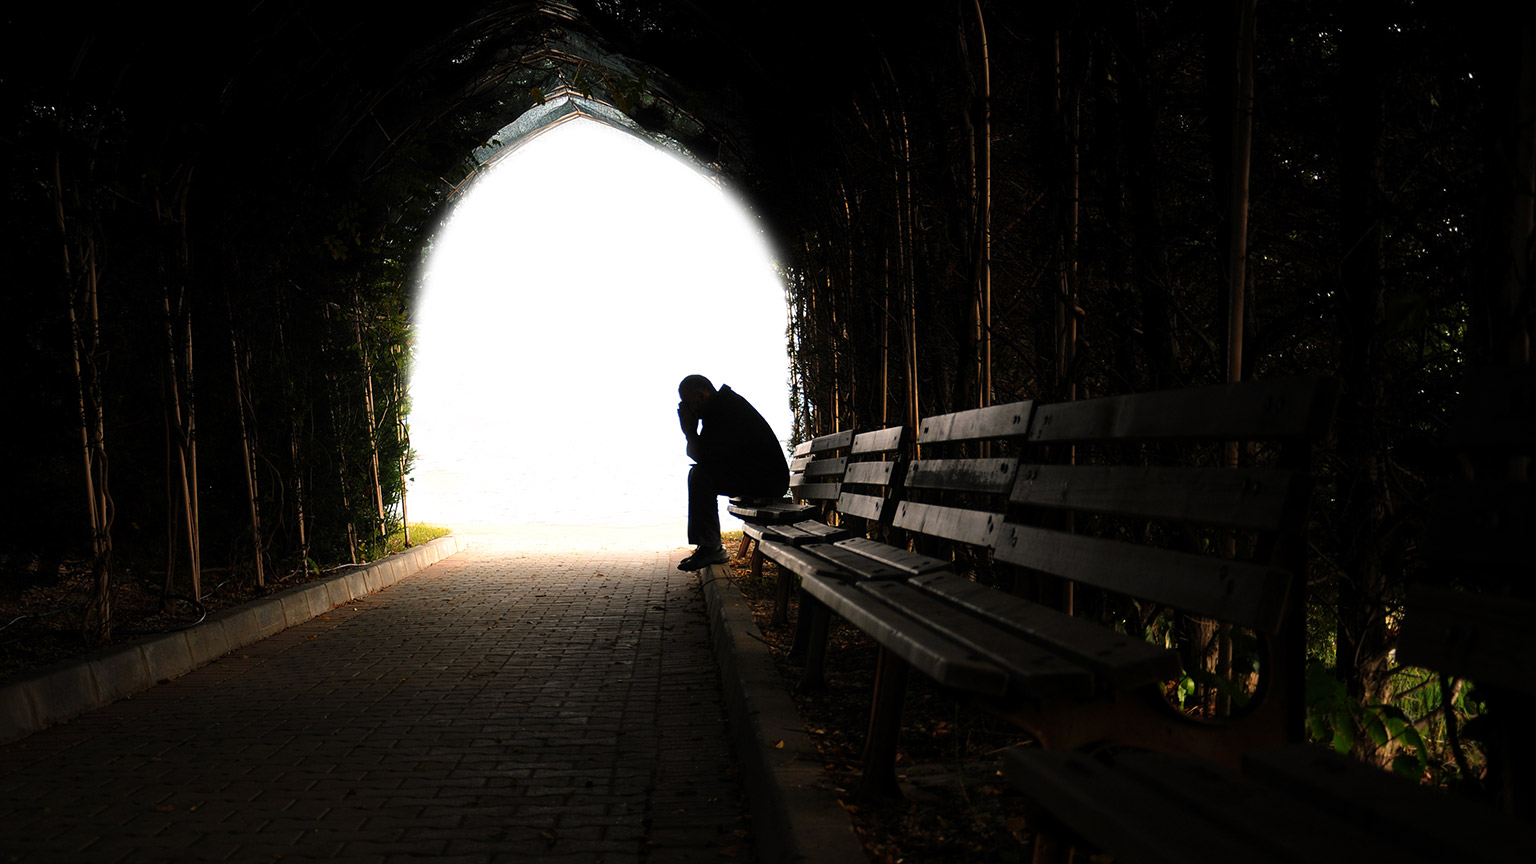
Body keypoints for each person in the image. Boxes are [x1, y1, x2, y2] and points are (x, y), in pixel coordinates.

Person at [676, 374, 789, 571]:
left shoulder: (725, 411)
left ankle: (711, 548)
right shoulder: (719, 408)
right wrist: (692, 433)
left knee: (700, 475)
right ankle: (708, 546)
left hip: (768, 481)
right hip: (758, 475)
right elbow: (710, 458)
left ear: (701, 396)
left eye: (686, 402)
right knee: (700, 474)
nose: (684, 408)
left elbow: (707, 459)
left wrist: (689, 432)